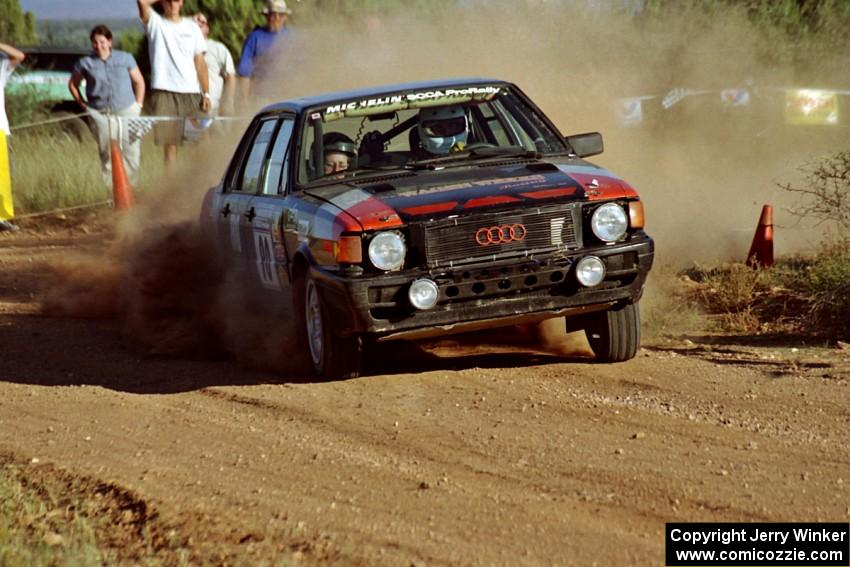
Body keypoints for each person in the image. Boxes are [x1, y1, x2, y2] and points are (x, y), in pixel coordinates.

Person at [69, 25, 146, 187]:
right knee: (107, 152)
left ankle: (132, 188)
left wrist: (138, 104)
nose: (99, 46)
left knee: (131, 150)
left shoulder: (125, 58)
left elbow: (139, 81)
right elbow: (73, 84)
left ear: (110, 42)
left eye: (102, 42)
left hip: (127, 109)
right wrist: (83, 105)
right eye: (95, 42)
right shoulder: (86, 63)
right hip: (100, 113)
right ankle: (111, 190)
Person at [137, 0, 211, 167]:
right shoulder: (155, 22)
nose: (172, 4)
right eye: (168, 0)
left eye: (176, 0)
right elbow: (142, 2)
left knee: (200, 142)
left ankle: (197, 184)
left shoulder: (192, 27)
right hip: (164, 92)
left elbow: (200, 63)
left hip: (191, 93)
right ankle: (171, 186)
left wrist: (206, 93)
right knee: (170, 145)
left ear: (182, 3)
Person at [237, 0, 293, 99]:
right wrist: (244, 101)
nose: (277, 18)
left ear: (285, 17)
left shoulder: (292, 37)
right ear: (266, 16)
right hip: (261, 98)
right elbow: (245, 74)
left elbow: (302, 70)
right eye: (273, 14)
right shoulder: (255, 37)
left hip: (289, 96)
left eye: (280, 15)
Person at [0, 42, 25, 232]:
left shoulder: (2, 67)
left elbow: (19, 56)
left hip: (0, 128)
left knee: (4, 174)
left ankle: (1, 217)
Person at [192, 12, 235, 116]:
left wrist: (228, 102)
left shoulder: (218, 48)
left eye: (201, 23)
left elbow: (230, 76)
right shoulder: (182, 49)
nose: (197, 26)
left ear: (207, 28)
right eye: (193, 23)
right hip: (190, 106)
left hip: (214, 107)